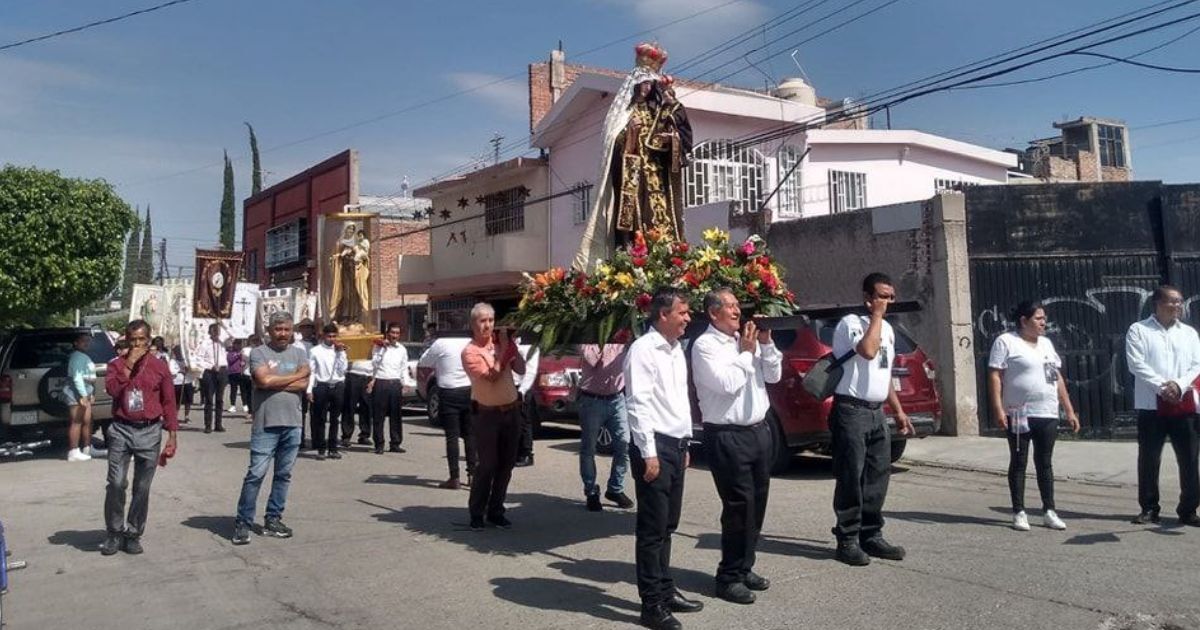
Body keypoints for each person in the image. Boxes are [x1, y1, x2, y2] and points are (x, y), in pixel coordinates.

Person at [690, 288, 781, 604]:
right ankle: (728, 577)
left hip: (759, 431)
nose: (736, 311)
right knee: (738, 508)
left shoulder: (747, 340)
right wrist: (745, 352)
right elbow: (727, 385)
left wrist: (765, 346)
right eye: (729, 306)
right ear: (713, 313)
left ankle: (744, 567)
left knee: (757, 505)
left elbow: (774, 375)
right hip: (728, 435)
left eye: (736, 305)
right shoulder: (705, 346)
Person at [574, 42, 693, 271]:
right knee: (634, 223)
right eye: (643, 83)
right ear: (636, 85)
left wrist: (670, 138)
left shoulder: (661, 111)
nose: (647, 88)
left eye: (651, 83)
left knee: (662, 222)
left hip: (658, 178)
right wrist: (629, 135)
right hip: (633, 180)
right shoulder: (623, 114)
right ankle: (632, 254)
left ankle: (665, 256)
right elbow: (613, 145)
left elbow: (682, 139)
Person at [625, 287, 703, 630]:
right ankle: (651, 604)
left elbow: (678, 401)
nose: (688, 318)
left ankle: (666, 589)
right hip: (653, 445)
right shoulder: (643, 350)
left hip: (675, 444)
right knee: (652, 529)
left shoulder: (675, 350)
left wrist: (685, 443)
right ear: (663, 315)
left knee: (668, 525)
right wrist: (649, 453)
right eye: (682, 312)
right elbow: (638, 403)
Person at [828, 273, 914, 567]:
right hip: (851, 411)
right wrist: (875, 316)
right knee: (851, 474)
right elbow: (866, 351)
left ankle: (871, 533)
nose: (887, 302)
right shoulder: (851, 324)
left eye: (890, 296)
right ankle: (847, 537)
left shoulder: (887, 329)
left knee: (879, 475)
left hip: (877, 412)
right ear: (867, 297)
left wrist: (899, 411)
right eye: (881, 296)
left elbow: (883, 373)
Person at [988, 301, 1081, 532]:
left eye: (1044, 318)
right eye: (1038, 318)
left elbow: (1055, 376)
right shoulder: (1006, 342)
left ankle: (1049, 510)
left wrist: (1068, 409)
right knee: (1019, 462)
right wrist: (999, 409)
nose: (1043, 322)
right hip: (1019, 412)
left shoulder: (1047, 345)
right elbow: (995, 376)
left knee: (1045, 462)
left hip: (1047, 412)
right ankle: (1019, 512)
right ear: (1024, 320)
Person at [231, 311, 310, 545]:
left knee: (283, 475)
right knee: (255, 474)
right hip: (266, 425)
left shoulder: (299, 353)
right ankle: (243, 523)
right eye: (278, 329)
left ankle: (273, 519)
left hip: (293, 424)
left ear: (292, 331)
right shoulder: (258, 353)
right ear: (269, 330)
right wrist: (294, 377)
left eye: (286, 329)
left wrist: (276, 382)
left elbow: (304, 384)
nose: (282, 334)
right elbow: (263, 380)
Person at [101, 319, 179, 555]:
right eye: (132, 340)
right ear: (126, 339)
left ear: (148, 340)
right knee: (116, 483)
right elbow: (113, 390)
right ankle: (114, 532)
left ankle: (133, 532)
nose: (137, 344)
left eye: (141, 340)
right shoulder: (116, 365)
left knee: (142, 487)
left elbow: (169, 401)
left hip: (149, 430)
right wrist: (129, 364)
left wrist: (172, 435)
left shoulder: (159, 366)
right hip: (121, 429)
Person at [1126, 285, 1200, 526]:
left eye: (1180, 301)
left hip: (1183, 404)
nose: (1178, 306)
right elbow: (1136, 364)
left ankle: (1188, 509)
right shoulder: (1139, 330)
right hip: (1151, 406)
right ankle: (1149, 507)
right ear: (1157, 303)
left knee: (1189, 458)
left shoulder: (1188, 333)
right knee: (1149, 458)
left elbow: (1197, 365)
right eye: (1172, 301)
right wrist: (1162, 386)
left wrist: (1177, 385)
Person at [461, 303, 526, 530]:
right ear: (473, 325)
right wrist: (502, 354)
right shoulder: (470, 352)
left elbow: (521, 369)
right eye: (482, 321)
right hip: (486, 415)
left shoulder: (500, 344)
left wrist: (512, 350)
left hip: (511, 411)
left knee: (506, 464)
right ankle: (477, 512)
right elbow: (491, 376)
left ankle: (496, 510)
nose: (487, 325)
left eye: (490, 320)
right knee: (487, 465)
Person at [577, 334, 633, 513]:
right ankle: (591, 490)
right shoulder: (589, 339)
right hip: (592, 399)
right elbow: (597, 361)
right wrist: (612, 342)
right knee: (589, 448)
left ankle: (615, 488)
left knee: (624, 444)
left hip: (617, 398)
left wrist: (624, 340)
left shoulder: (626, 340)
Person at [418, 335, 474, 489]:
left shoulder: (441, 343)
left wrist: (439, 361)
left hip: (448, 392)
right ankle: (472, 475)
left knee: (452, 437)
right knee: (469, 434)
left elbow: (424, 361)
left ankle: (454, 477)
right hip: (468, 390)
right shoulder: (470, 341)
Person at [367, 322, 409, 454]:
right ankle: (379, 444)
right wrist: (382, 349)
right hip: (381, 382)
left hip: (395, 383)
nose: (395, 336)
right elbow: (374, 364)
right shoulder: (378, 347)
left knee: (396, 415)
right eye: (392, 333)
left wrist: (405, 383)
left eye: (397, 333)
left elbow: (403, 368)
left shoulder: (402, 349)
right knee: (379, 416)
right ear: (387, 333)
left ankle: (395, 443)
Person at [307, 324, 348, 460]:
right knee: (320, 418)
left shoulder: (340, 350)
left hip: (337, 385)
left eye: (334, 336)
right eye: (329, 336)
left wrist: (340, 353)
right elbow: (312, 371)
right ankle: (321, 448)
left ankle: (333, 448)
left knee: (335, 419)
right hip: (322, 385)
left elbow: (343, 369)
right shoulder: (315, 351)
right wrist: (309, 390)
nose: (332, 339)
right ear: (324, 336)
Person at [65, 332, 97, 462]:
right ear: (75, 343)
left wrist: (91, 393)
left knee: (87, 421)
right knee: (76, 421)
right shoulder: (77, 357)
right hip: (77, 393)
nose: (86, 343)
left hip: (86, 392)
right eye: (83, 341)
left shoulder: (83, 356)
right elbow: (77, 378)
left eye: (87, 341)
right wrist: (83, 395)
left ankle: (87, 448)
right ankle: (73, 451)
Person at [192, 323, 228, 434]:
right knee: (209, 398)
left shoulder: (223, 343)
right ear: (210, 332)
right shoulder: (205, 344)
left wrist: (223, 325)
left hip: (222, 370)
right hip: (210, 372)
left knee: (220, 399)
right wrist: (210, 366)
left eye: (218, 330)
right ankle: (208, 425)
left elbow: (233, 335)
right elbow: (199, 358)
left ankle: (218, 424)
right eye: (214, 330)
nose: (217, 332)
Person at [514, 345, 540, 468]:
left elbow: (531, 371)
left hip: (522, 387)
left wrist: (522, 390)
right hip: (508, 386)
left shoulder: (530, 346)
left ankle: (526, 453)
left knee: (523, 421)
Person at [343, 358, 374, 447]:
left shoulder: (373, 345)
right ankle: (346, 436)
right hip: (353, 374)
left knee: (366, 407)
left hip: (368, 376)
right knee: (349, 406)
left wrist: (373, 378)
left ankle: (364, 435)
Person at [168, 345, 193, 424]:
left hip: (187, 381)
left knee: (188, 401)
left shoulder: (187, 361)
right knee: (177, 402)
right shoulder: (172, 361)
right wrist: (180, 371)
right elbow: (172, 372)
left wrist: (187, 369)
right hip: (177, 383)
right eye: (178, 351)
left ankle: (187, 416)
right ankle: (175, 417)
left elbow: (192, 369)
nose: (179, 353)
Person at [226, 339, 250, 414]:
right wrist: (238, 355)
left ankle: (245, 405)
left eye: (240, 344)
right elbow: (230, 360)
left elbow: (246, 360)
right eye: (237, 344)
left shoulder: (243, 352)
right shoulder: (231, 352)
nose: (238, 345)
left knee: (243, 390)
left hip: (241, 372)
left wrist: (243, 361)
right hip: (233, 373)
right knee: (233, 389)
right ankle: (232, 405)